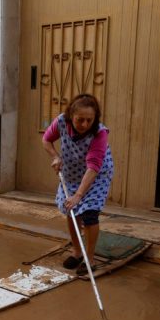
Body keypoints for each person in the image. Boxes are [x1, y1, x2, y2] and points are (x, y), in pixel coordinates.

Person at [42, 93, 113, 276]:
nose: (84, 125)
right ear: (70, 116)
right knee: (71, 210)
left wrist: (79, 195)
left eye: (89, 120)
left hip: (96, 175)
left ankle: (90, 259)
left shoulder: (99, 132)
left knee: (89, 214)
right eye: (80, 120)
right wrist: (55, 156)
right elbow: (46, 140)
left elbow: (93, 166)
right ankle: (77, 252)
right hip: (72, 171)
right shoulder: (61, 122)